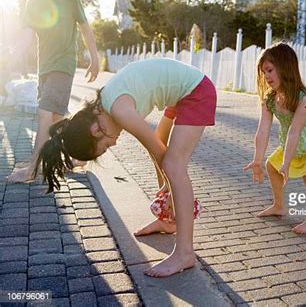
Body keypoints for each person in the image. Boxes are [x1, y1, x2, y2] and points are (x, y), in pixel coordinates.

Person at [34, 58, 217, 278]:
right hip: (183, 91)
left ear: (95, 131)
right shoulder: (104, 106)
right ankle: (170, 221)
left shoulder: (120, 111)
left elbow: (161, 155)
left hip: (196, 91)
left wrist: (170, 187)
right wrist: (168, 193)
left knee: (173, 164)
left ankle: (185, 253)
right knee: (164, 153)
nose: (113, 144)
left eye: (103, 148)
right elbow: (156, 147)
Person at [244, 43, 306, 234]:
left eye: (270, 70)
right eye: (264, 72)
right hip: (293, 141)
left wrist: (287, 163)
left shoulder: (301, 98)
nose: (267, 76)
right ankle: (279, 206)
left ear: (285, 68)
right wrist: (257, 159)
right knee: (272, 167)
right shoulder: (270, 99)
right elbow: (263, 130)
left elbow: (295, 131)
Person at [7, 0, 99, 183]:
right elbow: (26, 38)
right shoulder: (33, 3)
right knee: (57, 117)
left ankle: (33, 169)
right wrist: (9, 61)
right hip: (45, 69)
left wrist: (95, 58)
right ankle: (75, 157)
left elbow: (85, 29)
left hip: (63, 65)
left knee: (45, 113)